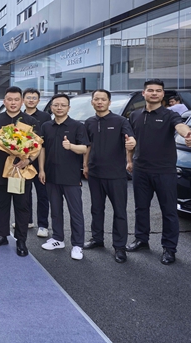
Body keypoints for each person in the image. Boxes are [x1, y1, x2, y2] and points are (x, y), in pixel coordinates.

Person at [126, 79, 191, 265]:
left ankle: (169, 248)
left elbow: (180, 126)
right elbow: (130, 140)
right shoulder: (135, 115)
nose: (154, 93)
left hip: (164, 171)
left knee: (169, 211)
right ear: (144, 93)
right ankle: (141, 239)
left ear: (163, 94)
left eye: (158, 90)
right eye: (150, 90)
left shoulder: (169, 115)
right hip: (141, 170)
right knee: (141, 208)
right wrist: (129, 160)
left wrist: (187, 135)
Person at [0, 86, 41, 257]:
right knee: (2, 204)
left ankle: (21, 240)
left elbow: (38, 146)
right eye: (9, 99)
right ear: (4, 101)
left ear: (21, 101)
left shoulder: (31, 121)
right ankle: (2, 235)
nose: (13, 103)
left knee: (22, 205)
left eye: (16, 100)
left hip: (21, 171)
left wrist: (28, 160)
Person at [82, 90, 136, 263]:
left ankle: (119, 246)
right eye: (96, 99)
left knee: (119, 211)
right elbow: (87, 145)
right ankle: (97, 238)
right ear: (92, 102)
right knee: (96, 208)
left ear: (109, 102)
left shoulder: (120, 121)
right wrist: (85, 165)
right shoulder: (89, 122)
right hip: (95, 173)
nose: (99, 102)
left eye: (103, 99)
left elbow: (130, 139)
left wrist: (131, 144)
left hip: (116, 174)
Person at [38, 93, 90, 261]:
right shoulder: (46, 126)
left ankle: (78, 245)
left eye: (63, 105)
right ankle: (58, 238)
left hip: (71, 176)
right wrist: (41, 170)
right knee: (55, 210)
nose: (59, 108)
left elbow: (84, 148)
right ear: (51, 107)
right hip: (51, 174)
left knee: (76, 212)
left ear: (68, 107)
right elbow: (42, 149)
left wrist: (71, 146)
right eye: (56, 105)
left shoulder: (77, 126)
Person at [23, 88, 52, 239]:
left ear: (38, 101)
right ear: (23, 100)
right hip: (23, 161)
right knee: (24, 194)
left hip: (40, 160)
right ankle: (27, 220)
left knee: (42, 195)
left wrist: (42, 168)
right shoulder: (19, 117)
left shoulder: (45, 116)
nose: (31, 100)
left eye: (34, 98)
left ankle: (43, 225)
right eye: (28, 97)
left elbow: (43, 143)